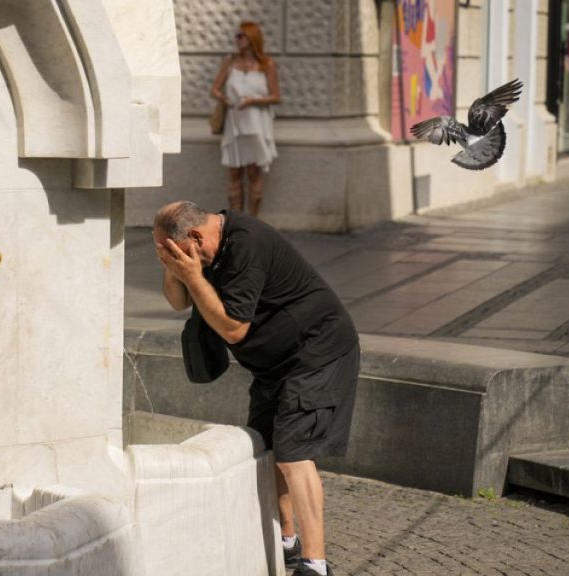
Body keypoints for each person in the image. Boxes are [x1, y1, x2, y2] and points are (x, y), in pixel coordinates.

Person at [153, 201, 359, 576]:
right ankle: (287, 543)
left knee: (293, 454)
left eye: (175, 248)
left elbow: (234, 328)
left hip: (316, 352)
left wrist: (194, 277)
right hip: (273, 365)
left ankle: (316, 565)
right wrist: (174, 268)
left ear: (196, 237)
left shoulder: (247, 245)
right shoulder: (203, 250)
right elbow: (177, 301)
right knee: (266, 447)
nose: (174, 257)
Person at [209, 21, 280, 217]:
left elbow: (276, 97)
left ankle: (254, 220)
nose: (237, 40)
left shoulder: (267, 65)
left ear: (252, 38)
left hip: (257, 125)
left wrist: (253, 100)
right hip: (235, 124)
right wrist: (223, 97)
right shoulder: (230, 63)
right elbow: (214, 89)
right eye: (237, 36)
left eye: (242, 36)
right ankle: (235, 220)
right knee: (234, 172)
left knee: (254, 172)